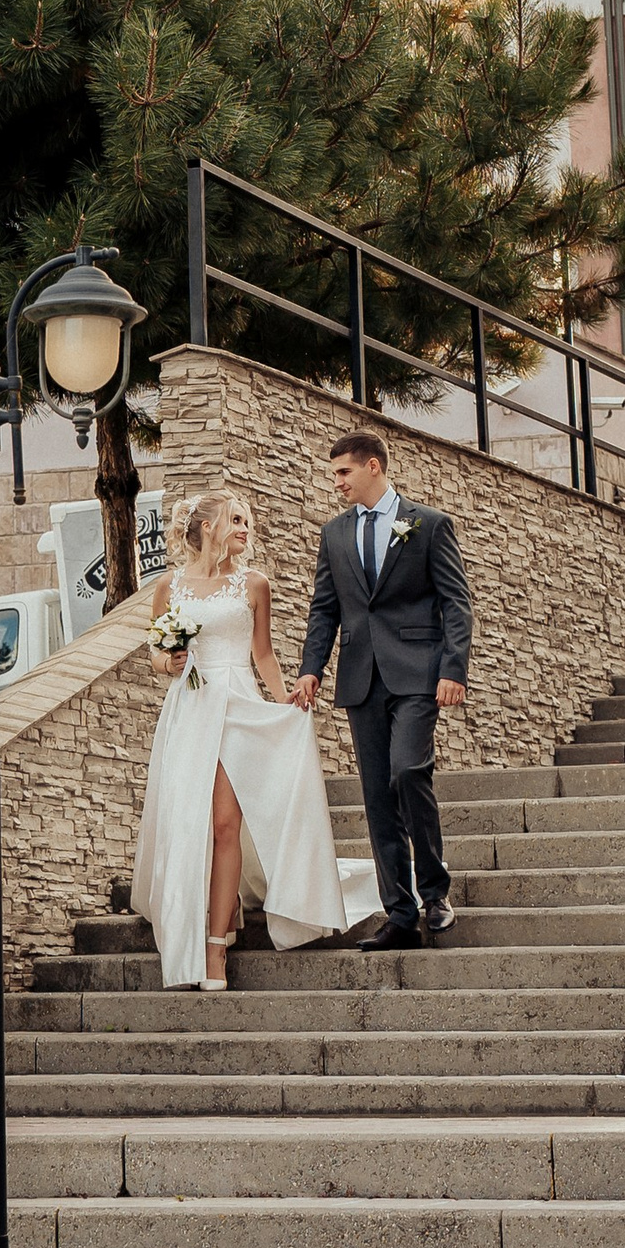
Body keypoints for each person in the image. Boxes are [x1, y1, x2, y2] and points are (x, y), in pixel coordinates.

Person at [131, 487, 382, 990]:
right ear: (207, 528)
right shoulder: (168, 588)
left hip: (240, 707)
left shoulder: (254, 584)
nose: (247, 529)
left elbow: (262, 653)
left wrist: (286, 698)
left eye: (248, 520)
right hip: (190, 710)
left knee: (226, 826)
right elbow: (156, 652)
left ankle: (215, 948)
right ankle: (189, 928)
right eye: (237, 520)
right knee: (192, 826)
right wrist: (169, 661)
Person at [292, 424, 473, 951]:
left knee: (407, 771)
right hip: (360, 676)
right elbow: (325, 607)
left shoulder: (430, 524)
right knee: (376, 795)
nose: (337, 483)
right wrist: (312, 667)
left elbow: (456, 603)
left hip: (419, 672)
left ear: (374, 466)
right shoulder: (334, 533)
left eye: (343, 472)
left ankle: (435, 893)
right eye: (334, 474)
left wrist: (452, 669)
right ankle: (399, 913)